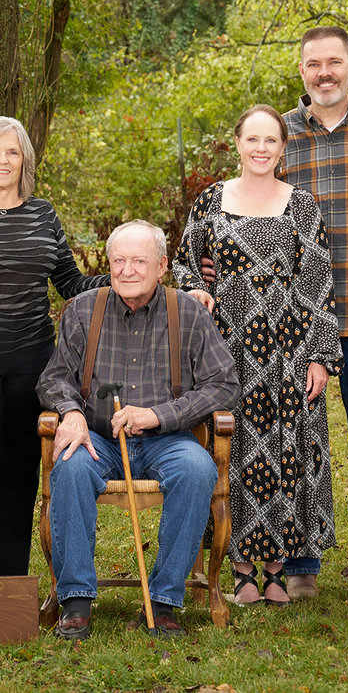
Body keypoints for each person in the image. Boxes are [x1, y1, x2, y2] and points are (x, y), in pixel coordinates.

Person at [173, 104, 343, 607]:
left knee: (285, 454)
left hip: (288, 352)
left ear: (284, 148)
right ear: (239, 143)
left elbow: (318, 284)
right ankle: (240, 571)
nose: (261, 148)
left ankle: (275, 568)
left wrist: (319, 357)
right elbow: (183, 266)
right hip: (224, 351)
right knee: (234, 451)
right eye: (253, 139)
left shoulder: (303, 206)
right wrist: (198, 291)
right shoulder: (210, 200)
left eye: (271, 140)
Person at [37, 220, 239, 639]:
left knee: (198, 470)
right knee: (71, 466)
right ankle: (75, 600)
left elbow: (225, 385)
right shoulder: (82, 310)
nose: (127, 270)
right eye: (119, 261)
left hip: (167, 439)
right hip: (98, 437)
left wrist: (159, 415)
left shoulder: (188, 312)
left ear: (162, 265)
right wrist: (71, 412)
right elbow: (53, 379)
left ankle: (164, 600)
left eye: (139, 261)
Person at [0, 116, 108, 576]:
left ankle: (9, 579)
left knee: (20, 470)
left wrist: (127, 277)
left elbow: (70, 282)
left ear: (24, 158)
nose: (2, 160)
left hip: (33, 361)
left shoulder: (42, 214)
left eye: (12, 151)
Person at [266, 26, 348, 604]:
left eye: (333, 62)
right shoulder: (280, 136)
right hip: (294, 324)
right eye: (313, 64)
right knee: (296, 445)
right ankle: (300, 561)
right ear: (301, 72)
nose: (324, 73)